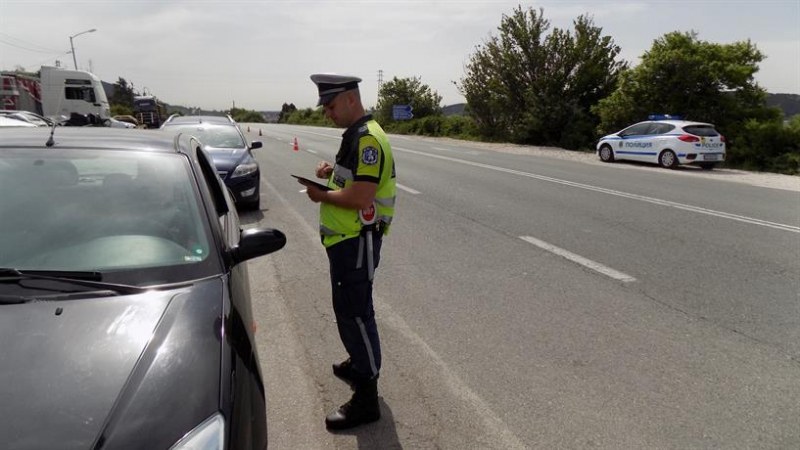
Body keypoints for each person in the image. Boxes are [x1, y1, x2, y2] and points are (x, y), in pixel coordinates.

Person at [300, 73, 396, 430]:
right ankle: (359, 365)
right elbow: (352, 181)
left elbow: (361, 197)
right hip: (346, 241)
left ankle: (366, 397)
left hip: (358, 241)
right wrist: (330, 174)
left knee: (356, 313)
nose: (327, 111)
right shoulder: (355, 137)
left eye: (330, 104)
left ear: (351, 100)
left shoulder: (368, 139)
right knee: (351, 309)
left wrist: (321, 194)